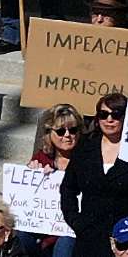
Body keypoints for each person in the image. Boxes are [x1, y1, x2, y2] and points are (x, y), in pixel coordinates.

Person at [61, 93, 128, 257]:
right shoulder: (84, 148)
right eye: (104, 114)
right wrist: (76, 221)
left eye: (116, 114)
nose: (109, 119)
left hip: (122, 240)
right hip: (88, 238)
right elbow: (68, 189)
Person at [16, 104, 83, 257]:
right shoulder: (41, 158)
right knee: (20, 237)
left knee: (65, 244)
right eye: (60, 131)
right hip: (42, 229)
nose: (67, 135)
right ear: (49, 134)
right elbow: (26, 204)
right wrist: (31, 174)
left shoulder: (86, 160)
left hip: (71, 230)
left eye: (72, 130)